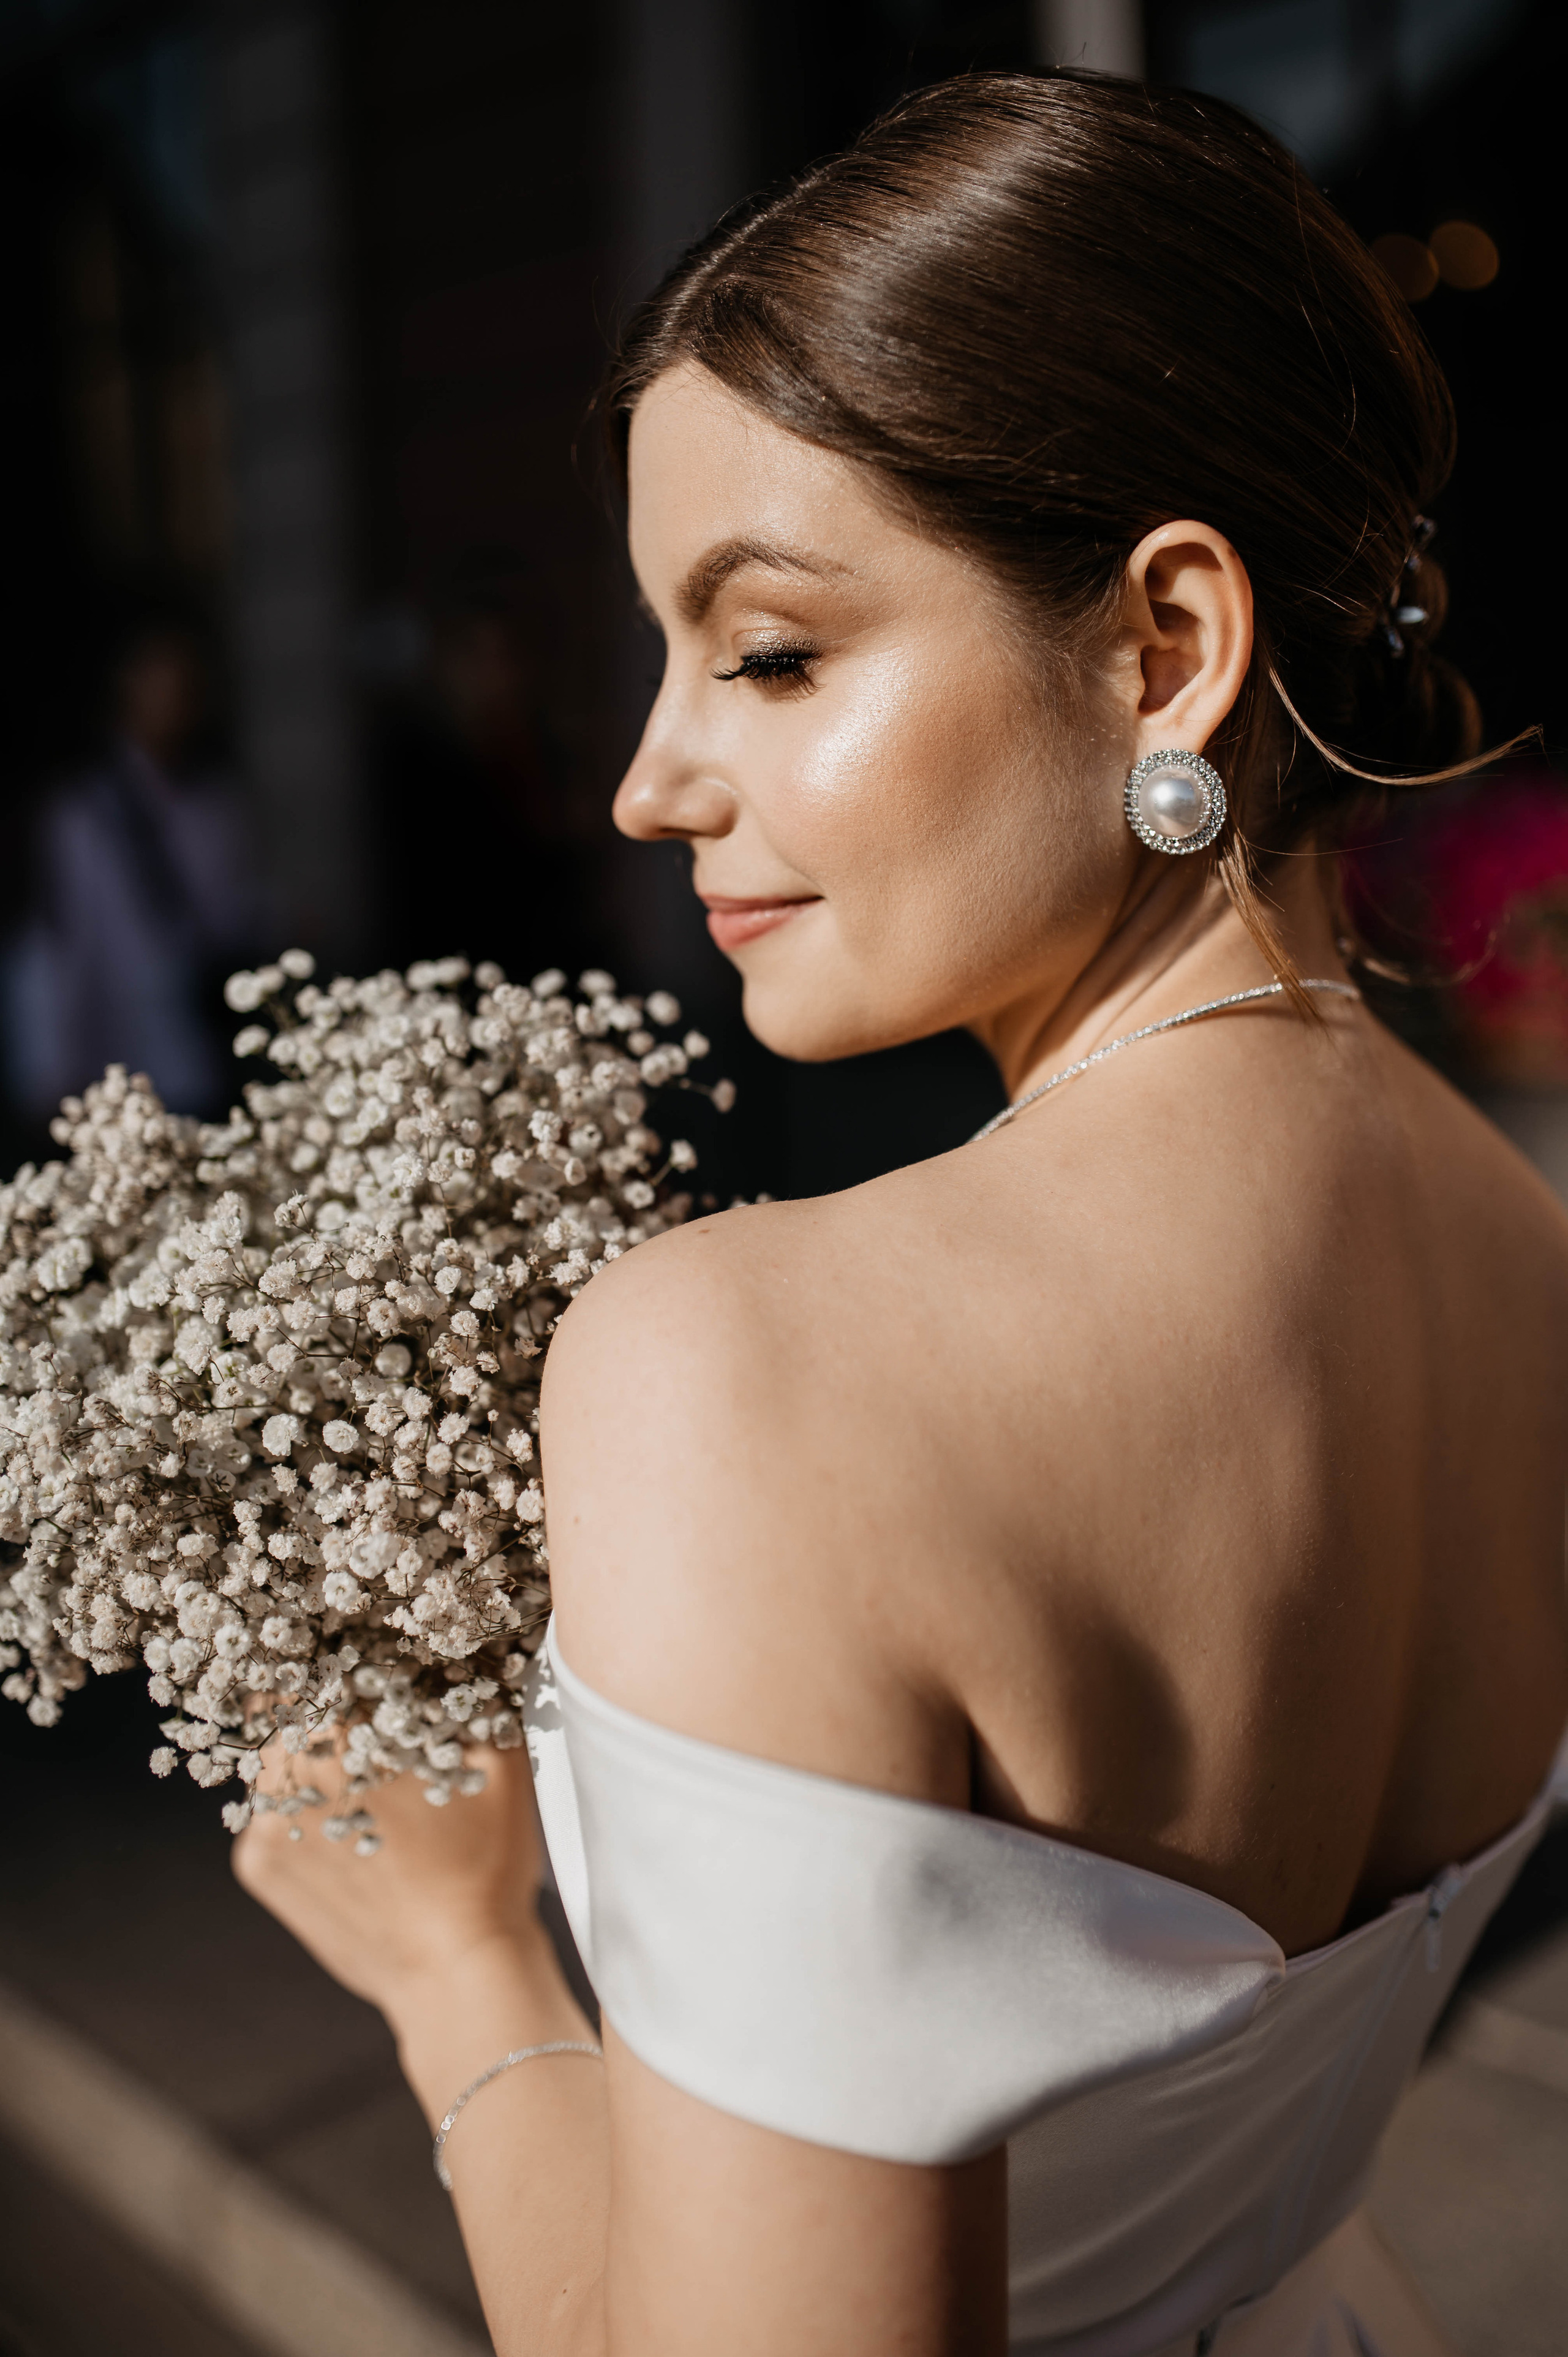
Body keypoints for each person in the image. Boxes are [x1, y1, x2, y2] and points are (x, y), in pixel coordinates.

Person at [235, 72, 1568, 2356]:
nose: (652, 775)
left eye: (766, 649)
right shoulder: (1524, 1263)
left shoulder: (740, 1366)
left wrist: (457, 1961)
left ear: (1162, 643)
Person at [2, 608, 262, 1124]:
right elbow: (58, 949)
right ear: (124, 683)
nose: (172, 693)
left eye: (185, 677)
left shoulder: (216, 803)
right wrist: (52, 1071)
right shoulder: (81, 813)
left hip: (201, 1056)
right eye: (157, 674)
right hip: (114, 1072)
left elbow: (233, 921)